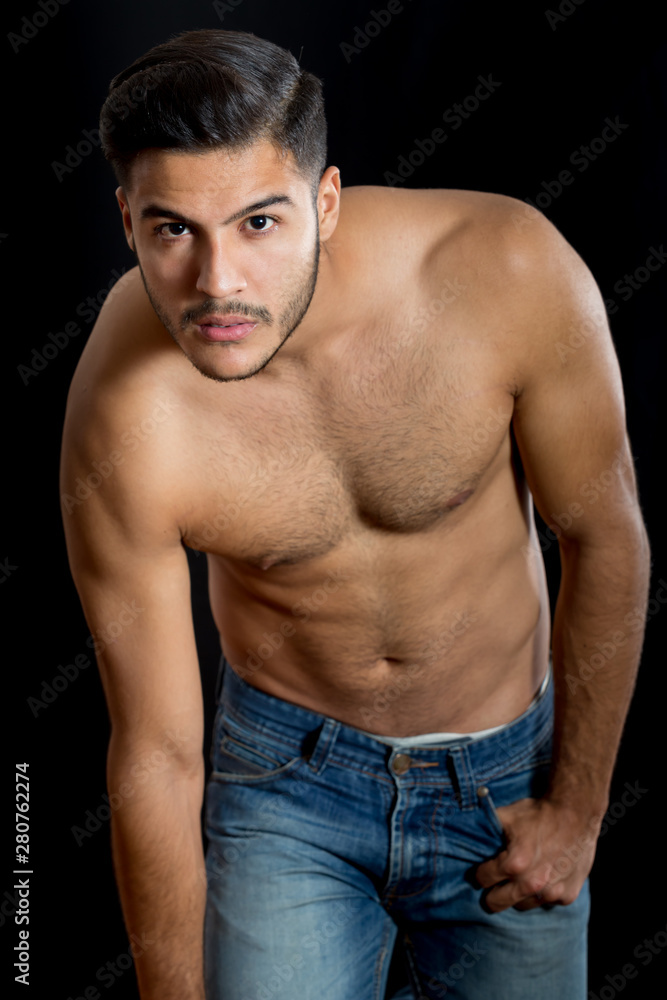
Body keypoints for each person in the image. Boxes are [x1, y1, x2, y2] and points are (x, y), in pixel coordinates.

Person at [60, 28, 650, 1000]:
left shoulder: (503, 272)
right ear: (126, 221)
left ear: (323, 202)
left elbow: (603, 535)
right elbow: (157, 753)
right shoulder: (125, 415)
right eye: (174, 230)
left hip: (502, 777)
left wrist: (577, 809)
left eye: (259, 223)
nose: (218, 283)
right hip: (281, 790)